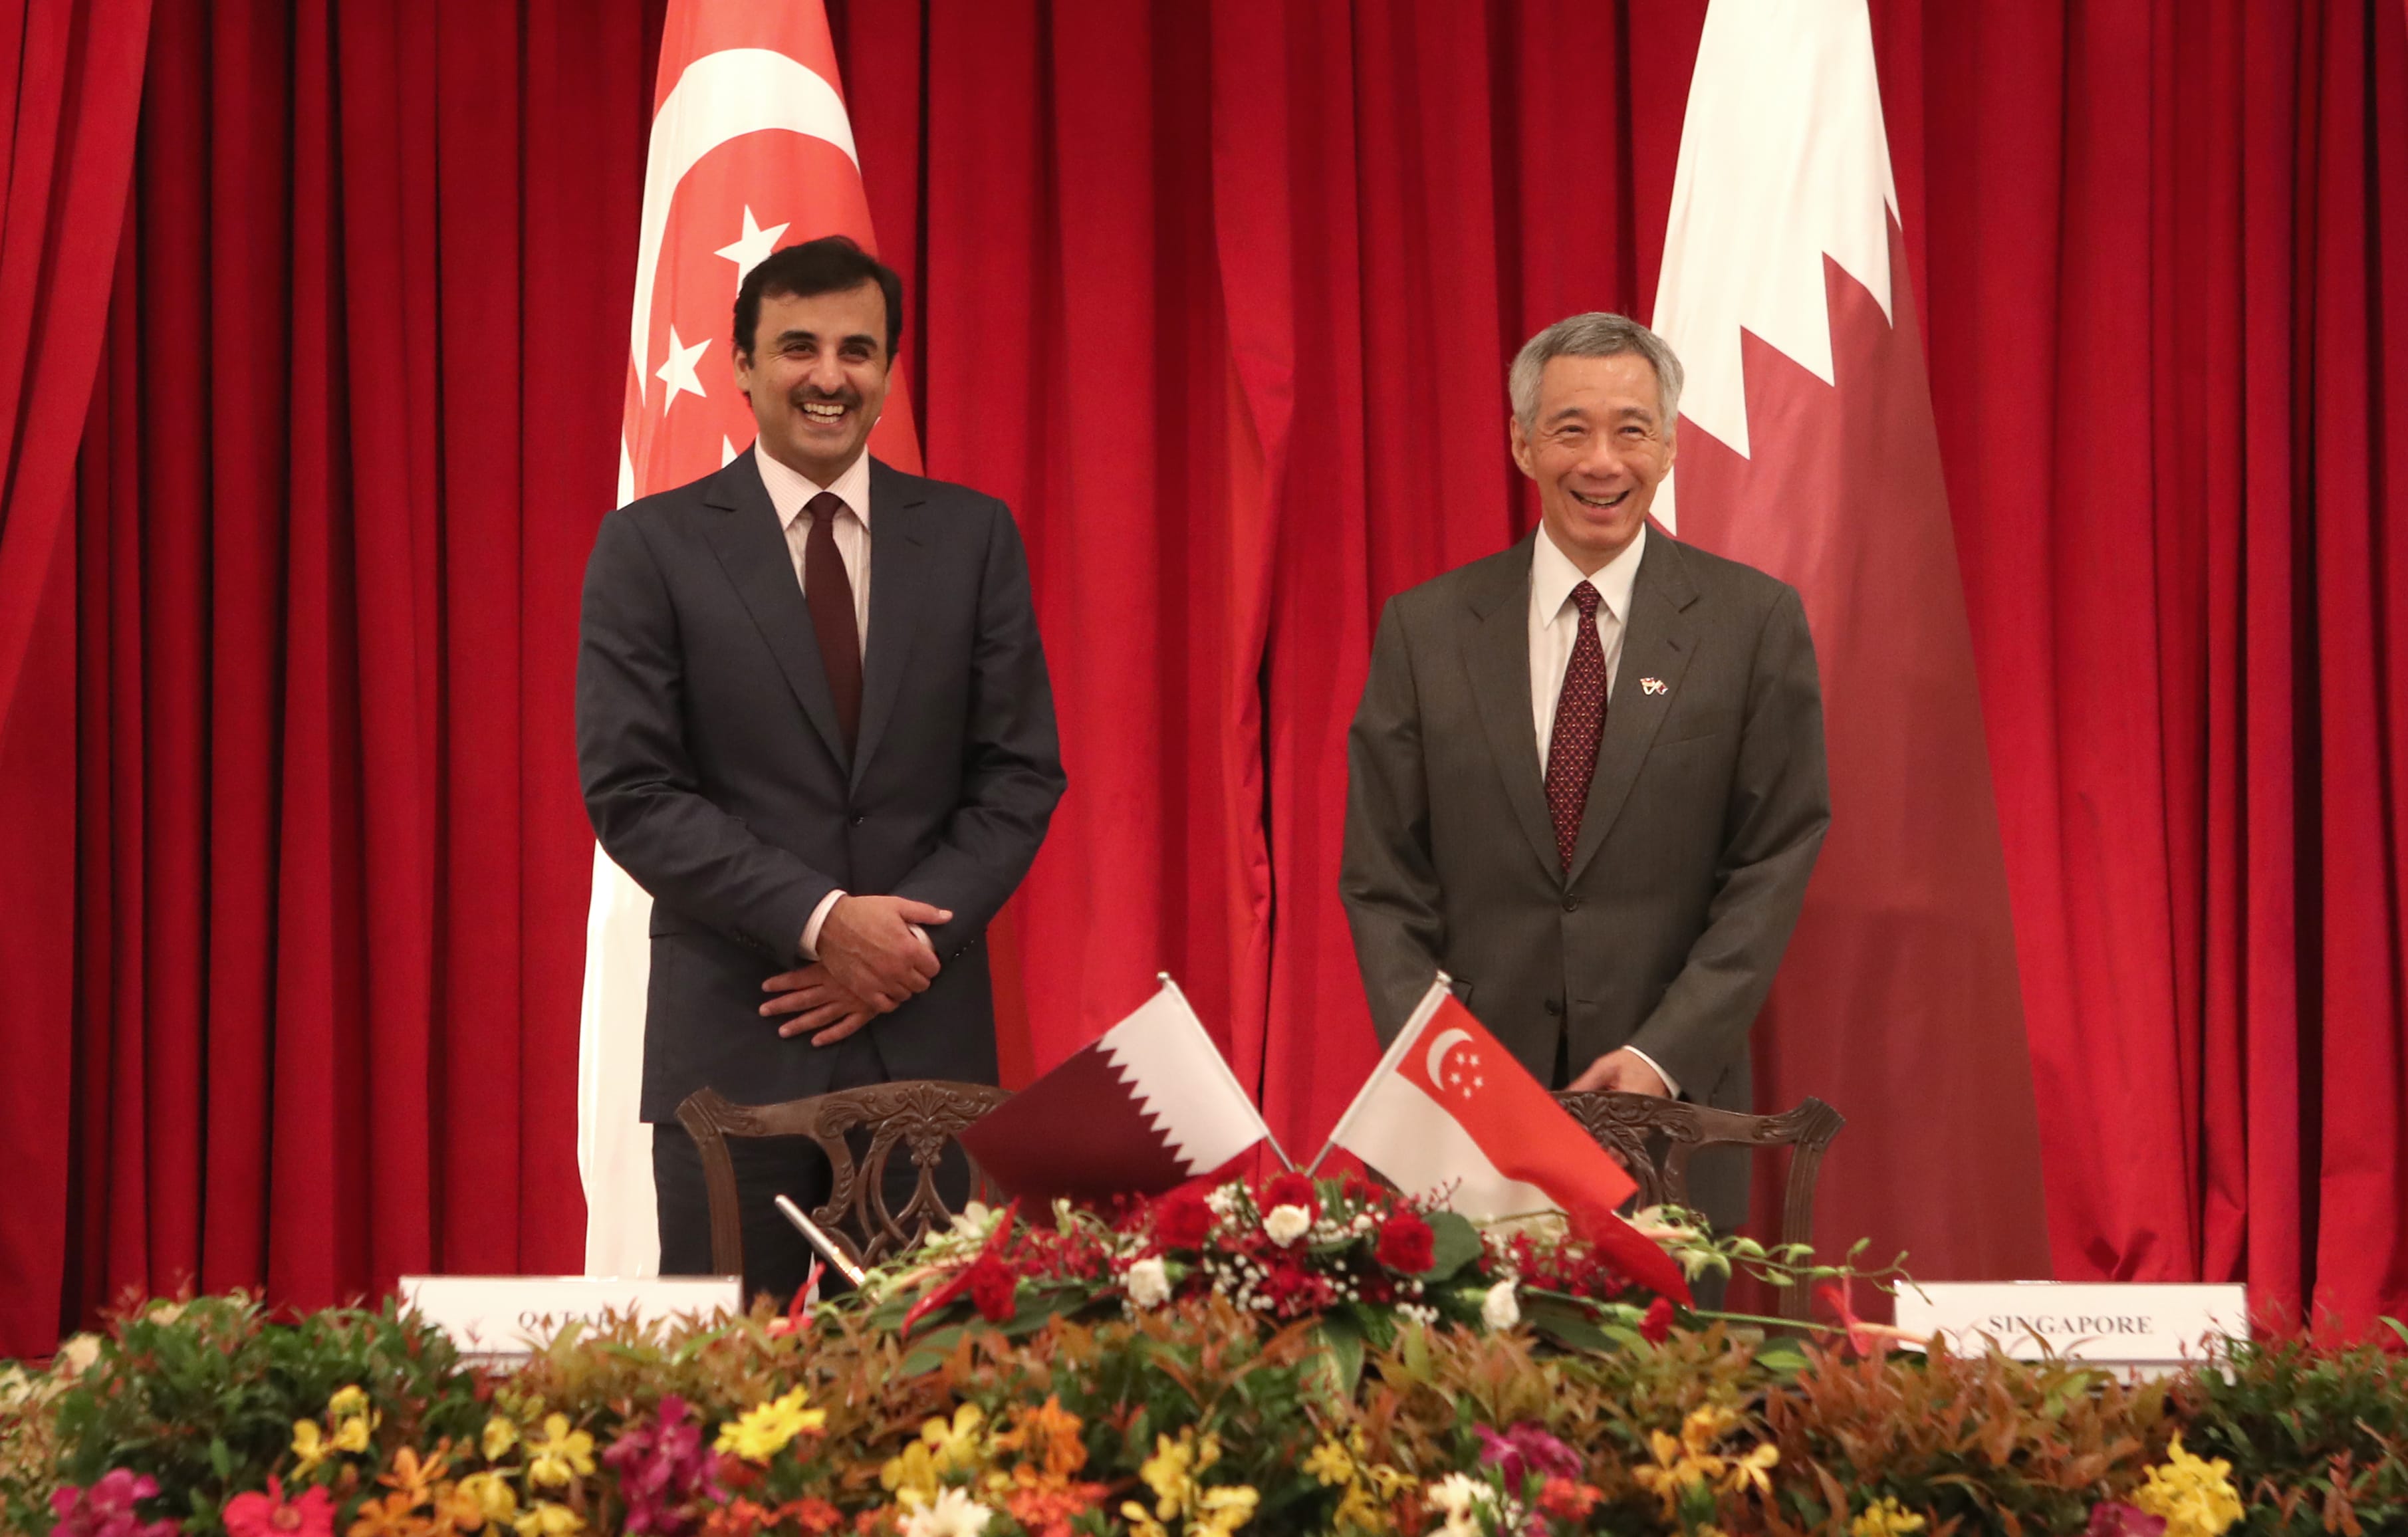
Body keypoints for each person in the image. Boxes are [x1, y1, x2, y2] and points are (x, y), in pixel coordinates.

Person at [577, 236, 1065, 1303]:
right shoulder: (648, 548)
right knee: (720, 1410)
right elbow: (635, 793)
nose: (829, 376)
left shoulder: (974, 539)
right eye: (797, 347)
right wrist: (822, 920)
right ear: (741, 366)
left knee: (921, 1408)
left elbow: (1019, 775)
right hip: (732, 1054)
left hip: (923, 1050)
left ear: (889, 373)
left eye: (858, 350)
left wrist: (893, 945)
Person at [1340, 312, 1829, 1241]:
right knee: (1466, 1383)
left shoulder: (1751, 624)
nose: (1601, 460)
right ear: (1523, 444)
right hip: (1463, 1114)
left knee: (1675, 1384)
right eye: (1570, 429)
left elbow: (1772, 862)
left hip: (1669, 1116)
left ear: (1671, 447)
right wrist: (1449, 1066)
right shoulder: (1425, 631)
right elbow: (1379, 878)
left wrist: (1660, 1052)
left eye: (1631, 429)